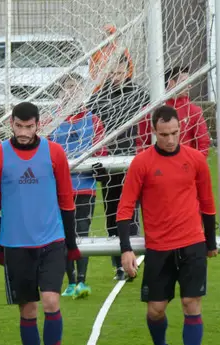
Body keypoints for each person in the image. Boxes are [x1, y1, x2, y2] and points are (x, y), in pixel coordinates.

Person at [116, 105, 217, 345]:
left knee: (191, 304)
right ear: (153, 132)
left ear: (180, 129)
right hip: (159, 248)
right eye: (164, 135)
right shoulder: (142, 163)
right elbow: (125, 210)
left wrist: (209, 242)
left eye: (174, 133)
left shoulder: (195, 160)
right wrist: (126, 249)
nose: (170, 139)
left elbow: (207, 203)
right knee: (156, 311)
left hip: (192, 243)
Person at [0, 102, 81, 345]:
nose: (24, 132)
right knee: (28, 310)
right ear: (11, 124)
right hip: (15, 245)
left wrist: (72, 243)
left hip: (51, 242)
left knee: (51, 302)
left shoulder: (54, 153)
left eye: (29, 126)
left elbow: (66, 199)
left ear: (39, 124)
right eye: (19, 126)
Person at [87, 56, 147, 280]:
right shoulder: (96, 98)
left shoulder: (140, 94)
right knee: (112, 214)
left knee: (131, 212)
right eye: (111, 73)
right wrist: (97, 163)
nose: (115, 77)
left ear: (128, 72)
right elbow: (91, 133)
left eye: (120, 73)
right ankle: (118, 263)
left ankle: (133, 259)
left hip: (133, 162)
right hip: (107, 164)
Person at [48, 73, 106, 299]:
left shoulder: (93, 120)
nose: (72, 92)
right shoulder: (51, 120)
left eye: (76, 88)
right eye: (68, 87)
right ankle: (70, 281)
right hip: (59, 191)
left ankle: (82, 280)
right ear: (61, 92)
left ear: (84, 93)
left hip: (85, 188)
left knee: (82, 234)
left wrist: (99, 168)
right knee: (62, 235)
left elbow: (102, 152)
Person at [136, 66, 211, 156]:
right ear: (171, 83)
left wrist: (196, 165)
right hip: (158, 166)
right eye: (184, 82)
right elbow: (142, 144)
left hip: (185, 166)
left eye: (190, 81)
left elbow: (203, 142)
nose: (190, 85)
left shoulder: (194, 111)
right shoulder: (149, 111)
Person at [90, 24, 134, 93]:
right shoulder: (97, 52)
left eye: (110, 34)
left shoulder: (122, 50)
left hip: (120, 85)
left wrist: (123, 78)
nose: (107, 37)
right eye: (106, 34)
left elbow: (129, 69)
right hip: (101, 86)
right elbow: (92, 71)